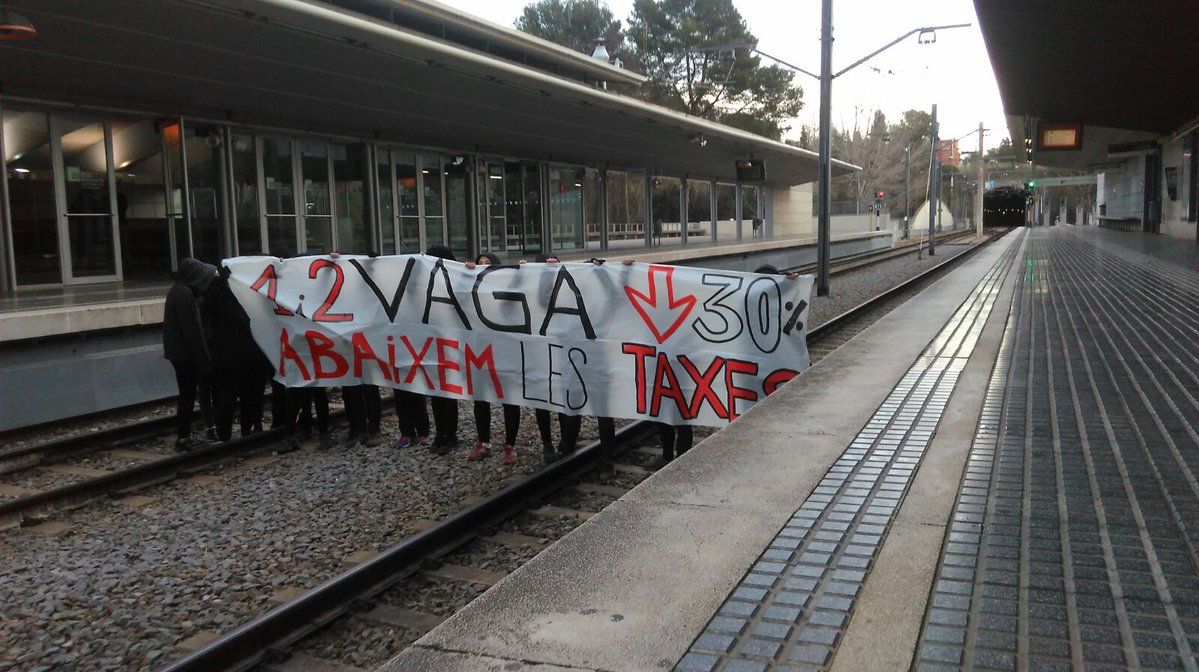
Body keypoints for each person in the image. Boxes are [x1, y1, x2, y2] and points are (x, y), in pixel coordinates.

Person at [462, 252, 521, 465]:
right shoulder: (471, 288)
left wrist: (523, 270)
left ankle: (510, 445)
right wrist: (464, 273)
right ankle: (484, 442)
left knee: (510, 399)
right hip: (480, 351)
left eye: (488, 264)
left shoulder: (506, 289)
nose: (482, 267)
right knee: (481, 398)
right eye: (480, 263)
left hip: (504, 350)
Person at [202, 265, 269, 442]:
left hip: (227, 357)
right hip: (247, 356)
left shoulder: (214, 295)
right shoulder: (246, 298)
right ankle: (246, 431)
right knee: (248, 397)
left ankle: (225, 435)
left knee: (228, 399)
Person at [163, 257, 217, 451]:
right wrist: (204, 358)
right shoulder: (185, 294)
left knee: (186, 394)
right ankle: (184, 436)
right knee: (187, 396)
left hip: (177, 353)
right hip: (185, 355)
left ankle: (184, 435)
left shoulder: (176, 291)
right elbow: (193, 330)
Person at [423, 244, 461, 455]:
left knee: (447, 393)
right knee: (436, 393)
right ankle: (441, 433)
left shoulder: (455, 279)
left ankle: (451, 434)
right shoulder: (425, 281)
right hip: (432, 344)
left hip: (449, 344)